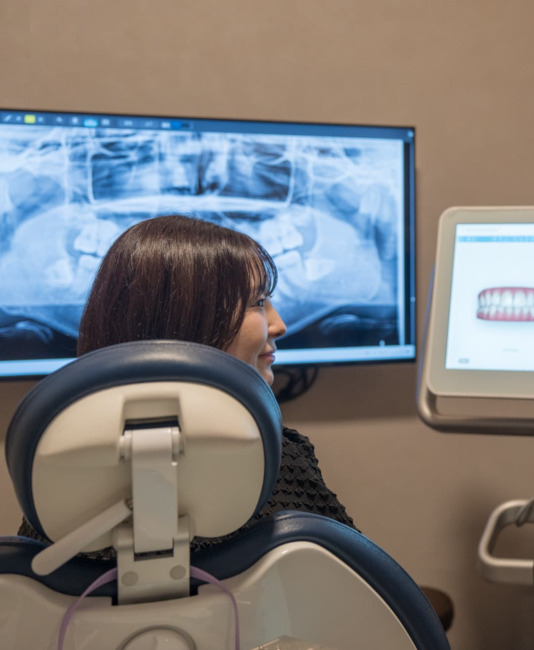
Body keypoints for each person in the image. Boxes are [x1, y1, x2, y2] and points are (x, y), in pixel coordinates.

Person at [17, 215, 357, 553]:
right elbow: (360, 587)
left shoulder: (60, 472)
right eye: (258, 302)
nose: (279, 324)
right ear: (190, 319)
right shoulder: (272, 460)